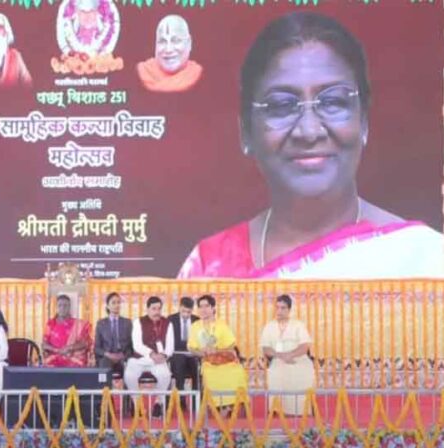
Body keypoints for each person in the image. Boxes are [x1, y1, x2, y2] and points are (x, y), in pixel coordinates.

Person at [177, 12, 444, 279]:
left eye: (333, 102)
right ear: (246, 131)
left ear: (363, 121)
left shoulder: (424, 263)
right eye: (281, 105)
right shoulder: (209, 270)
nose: (309, 131)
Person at [187, 295, 248, 418]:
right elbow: (191, 348)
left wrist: (217, 351)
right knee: (210, 374)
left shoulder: (221, 325)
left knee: (237, 371)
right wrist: (203, 353)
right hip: (208, 362)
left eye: (206, 306)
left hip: (224, 359)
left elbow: (231, 346)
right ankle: (220, 406)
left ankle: (233, 404)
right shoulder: (195, 326)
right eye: (200, 307)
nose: (203, 309)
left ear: (213, 308)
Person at [260, 295, 315, 416]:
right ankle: (278, 410)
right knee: (275, 373)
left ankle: (300, 412)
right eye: (277, 307)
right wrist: (281, 356)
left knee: (302, 372)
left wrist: (291, 355)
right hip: (279, 360)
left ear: (289, 310)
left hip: (298, 359)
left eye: (283, 308)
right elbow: (266, 348)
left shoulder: (298, 325)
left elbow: (305, 346)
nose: (279, 311)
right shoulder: (269, 326)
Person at [125, 296, 173, 418]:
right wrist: (152, 354)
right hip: (139, 358)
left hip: (159, 360)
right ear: (147, 309)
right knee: (129, 375)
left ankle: (158, 403)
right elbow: (137, 345)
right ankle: (136, 402)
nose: (157, 312)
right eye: (153, 309)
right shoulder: (138, 322)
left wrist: (164, 355)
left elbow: (170, 346)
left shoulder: (167, 323)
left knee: (165, 375)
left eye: (159, 309)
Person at [137, 15, 203, 93]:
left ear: (189, 43)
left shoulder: (197, 73)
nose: (168, 49)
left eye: (176, 41)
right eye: (162, 41)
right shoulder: (143, 71)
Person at [42, 295, 93, 367]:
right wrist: (57, 350)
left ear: (69, 307)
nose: (62, 308)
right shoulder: (50, 324)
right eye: (60, 305)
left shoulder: (78, 324)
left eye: (65, 305)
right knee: (46, 366)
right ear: (56, 307)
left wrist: (69, 348)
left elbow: (85, 343)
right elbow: (44, 345)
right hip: (54, 357)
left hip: (73, 358)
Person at [93, 292, 133, 375]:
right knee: (104, 366)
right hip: (107, 357)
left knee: (130, 367)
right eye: (113, 303)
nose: (117, 305)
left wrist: (123, 355)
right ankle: (105, 384)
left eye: (118, 302)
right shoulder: (101, 324)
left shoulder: (127, 323)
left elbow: (131, 346)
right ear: (108, 306)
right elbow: (97, 348)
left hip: (123, 356)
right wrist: (108, 354)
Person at [168, 296, 200, 396]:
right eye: (183, 311)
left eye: (188, 312)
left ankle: (196, 399)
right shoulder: (171, 320)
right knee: (179, 363)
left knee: (196, 367)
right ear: (179, 307)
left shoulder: (197, 321)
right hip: (176, 354)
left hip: (192, 353)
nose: (186, 314)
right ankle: (180, 398)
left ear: (192, 310)